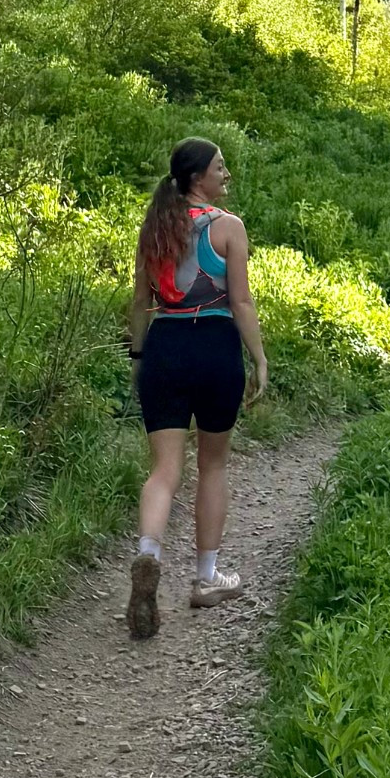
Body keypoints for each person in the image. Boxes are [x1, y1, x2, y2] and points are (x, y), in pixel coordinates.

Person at [125, 137, 269, 638]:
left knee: (165, 468)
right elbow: (242, 302)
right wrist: (259, 357)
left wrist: (139, 357)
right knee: (212, 464)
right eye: (220, 168)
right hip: (215, 346)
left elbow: (141, 300)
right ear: (196, 178)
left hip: (164, 346)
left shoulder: (155, 228)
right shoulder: (229, 228)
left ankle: (148, 553)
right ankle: (206, 578)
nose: (226, 175)